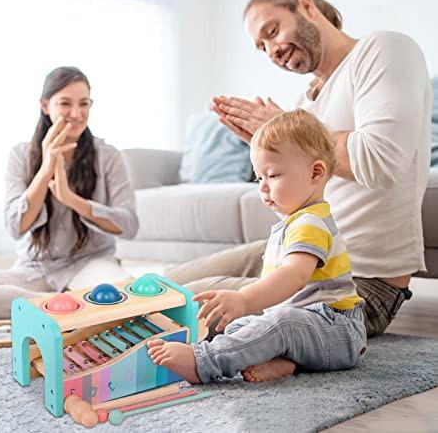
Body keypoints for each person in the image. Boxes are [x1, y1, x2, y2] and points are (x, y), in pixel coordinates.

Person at [165, 0, 432, 338]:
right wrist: (273, 166)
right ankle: (76, 314)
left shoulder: (383, 50)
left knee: (183, 302)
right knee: (163, 283)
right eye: (262, 47)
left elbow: (381, 162)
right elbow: (300, 208)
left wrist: (289, 137)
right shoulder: (306, 103)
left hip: (354, 287)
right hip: (299, 252)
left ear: (306, 7)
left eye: (272, 32)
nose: (271, 51)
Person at [148, 109, 367, 384]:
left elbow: (294, 276)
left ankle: (203, 362)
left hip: (338, 330)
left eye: (273, 176)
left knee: (279, 324)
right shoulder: (293, 222)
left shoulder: (311, 223)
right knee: (244, 327)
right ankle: (284, 360)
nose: (263, 188)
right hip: (309, 327)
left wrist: (244, 299)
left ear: (316, 172)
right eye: (258, 178)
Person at [0, 66, 139, 319]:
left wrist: (71, 200)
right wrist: (45, 170)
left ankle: (59, 309)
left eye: (84, 104)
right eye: (65, 103)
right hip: (33, 272)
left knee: (131, 300)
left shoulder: (108, 156)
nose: (76, 114)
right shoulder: (20, 156)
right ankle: (64, 306)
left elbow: (129, 225)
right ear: (45, 105)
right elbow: (15, 226)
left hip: (89, 265)